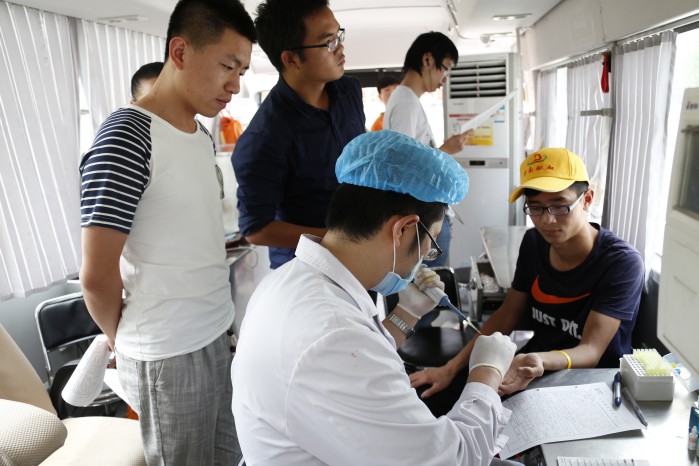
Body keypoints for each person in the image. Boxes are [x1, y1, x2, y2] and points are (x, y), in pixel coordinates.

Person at [232, 130, 518, 466]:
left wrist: (408, 313)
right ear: (403, 229)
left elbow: (365, 357)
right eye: (432, 244)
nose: (428, 256)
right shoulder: (334, 336)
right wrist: (487, 372)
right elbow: (452, 460)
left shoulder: (285, 281)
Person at [78, 0, 256, 463]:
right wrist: (128, 340)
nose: (235, 85)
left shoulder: (199, 135)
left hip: (216, 333)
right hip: (167, 353)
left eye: (241, 72)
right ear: (180, 52)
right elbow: (96, 276)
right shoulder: (127, 136)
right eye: (228, 67)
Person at [409, 147, 645, 415]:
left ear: (587, 199)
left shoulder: (621, 262)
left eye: (559, 205)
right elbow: (506, 316)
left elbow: (591, 351)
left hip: (590, 382)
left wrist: (538, 361)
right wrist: (451, 368)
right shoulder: (534, 242)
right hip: (530, 368)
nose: (547, 219)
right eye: (535, 207)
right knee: (428, 401)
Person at [232, 0, 366, 269]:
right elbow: (256, 229)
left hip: (362, 254)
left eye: (339, 36)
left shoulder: (348, 91)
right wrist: (339, 240)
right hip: (308, 270)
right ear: (291, 58)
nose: (340, 49)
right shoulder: (265, 137)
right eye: (328, 42)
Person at [384, 31, 470, 267]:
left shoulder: (408, 100)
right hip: (423, 221)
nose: (445, 79)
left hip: (426, 218)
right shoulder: (406, 103)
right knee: (430, 286)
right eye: (445, 69)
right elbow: (403, 168)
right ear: (428, 59)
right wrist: (445, 150)